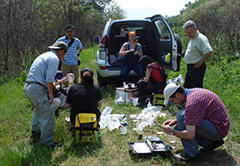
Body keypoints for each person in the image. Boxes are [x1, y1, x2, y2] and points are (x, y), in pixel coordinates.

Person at [162, 83, 230, 161]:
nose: (173, 103)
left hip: (218, 130)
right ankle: (210, 143)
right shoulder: (193, 93)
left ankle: (191, 154)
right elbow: (197, 112)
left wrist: (171, 132)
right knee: (182, 120)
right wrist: (175, 121)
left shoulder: (192, 103)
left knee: (181, 117)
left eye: (172, 101)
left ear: (178, 95)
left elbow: (190, 134)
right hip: (220, 126)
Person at [23, 41, 68, 149]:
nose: (64, 56)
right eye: (64, 53)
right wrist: (51, 94)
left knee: (37, 111)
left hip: (29, 87)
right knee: (48, 116)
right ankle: (48, 143)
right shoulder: (54, 58)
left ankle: (35, 134)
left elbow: (45, 78)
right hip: (37, 89)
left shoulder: (44, 55)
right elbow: (49, 78)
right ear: (61, 51)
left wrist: (52, 85)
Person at [183, 20, 213, 88]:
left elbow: (208, 52)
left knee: (196, 88)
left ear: (195, 29)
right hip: (190, 67)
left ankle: (199, 99)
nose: (189, 35)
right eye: (187, 33)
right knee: (187, 87)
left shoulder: (200, 38)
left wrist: (199, 64)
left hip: (197, 68)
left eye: (190, 32)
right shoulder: (193, 38)